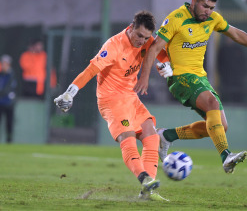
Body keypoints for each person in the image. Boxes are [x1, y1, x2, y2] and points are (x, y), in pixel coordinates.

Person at [134, 0, 247, 174]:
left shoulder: (213, 19)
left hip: (200, 78)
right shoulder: (176, 18)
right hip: (180, 77)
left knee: (220, 127)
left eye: (211, 8)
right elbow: (155, 48)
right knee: (212, 103)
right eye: (205, 6)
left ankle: (166, 135)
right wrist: (144, 77)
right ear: (194, 1)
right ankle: (226, 156)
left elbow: (237, 33)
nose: (208, 11)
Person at [54, 11, 169, 201]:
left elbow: (162, 54)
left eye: (146, 37)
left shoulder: (147, 41)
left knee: (151, 135)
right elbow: (91, 70)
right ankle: (144, 178)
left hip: (130, 97)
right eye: (139, 35)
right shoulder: (113, 45)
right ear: (131, 27)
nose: (142, 41)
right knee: (128, 136)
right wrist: (70, 92)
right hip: (111, 100)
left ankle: (148, 192)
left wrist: (167, 67)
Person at [0, 55, 17, 143]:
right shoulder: (1, 74)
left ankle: (9, 140)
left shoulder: (11, 75)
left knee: (9, 123)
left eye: (6, 64)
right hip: (0, 102)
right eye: (3, 63)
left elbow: (9, 88)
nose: (4, 65)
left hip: (8, 103)